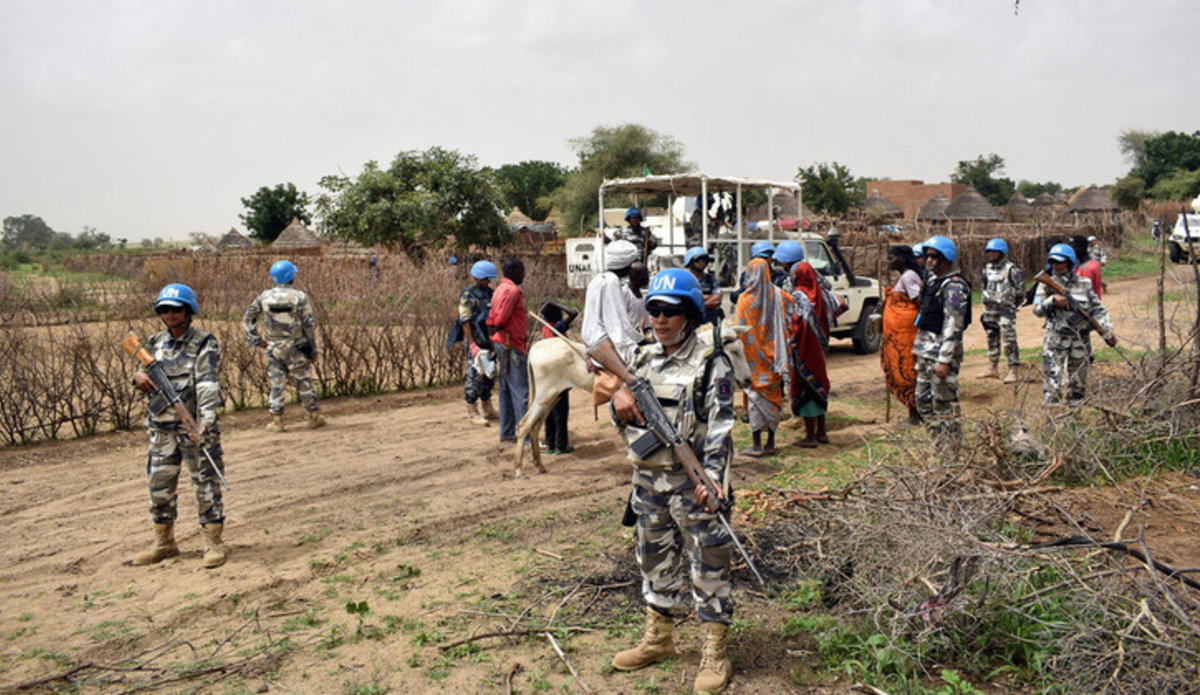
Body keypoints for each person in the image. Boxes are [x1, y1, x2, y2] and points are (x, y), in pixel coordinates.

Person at [610, 268, 737, 695]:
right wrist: (618, 397)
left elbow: (720, 430)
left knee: (709, 563)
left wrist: (712, 482)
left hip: (692, 485)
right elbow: (622, 413)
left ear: (691, 314)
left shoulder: (710, 362)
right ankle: (659, 639)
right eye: (654, 310)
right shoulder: (643, 359)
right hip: (648, 482)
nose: (660, 319)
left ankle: (714, 649)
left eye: (671, 311)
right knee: (652, 559)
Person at [131, 283, 228, 569]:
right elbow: (140, 370)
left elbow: (208, 383)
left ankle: (213, 542)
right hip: (161, 428)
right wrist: (137, 376)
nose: (170, 315)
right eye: (164, 310)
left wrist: (205, 422)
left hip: (194, 427)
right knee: (159, 485)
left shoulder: (203, 342)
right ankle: (165, 543)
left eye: (175, 309)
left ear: (188, 311)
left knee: (206, 485)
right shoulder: (153, 342)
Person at [242, 260, 325, 432]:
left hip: (273, 347)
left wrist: (257, 340)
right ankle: (313, 416)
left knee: (277, 383)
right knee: (304, 381)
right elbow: (308, 325)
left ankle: (277, 420)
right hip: (296, 347)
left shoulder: (264, 296)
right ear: (291, 277)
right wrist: (312, 350)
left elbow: (247, 318)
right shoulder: (300, 297)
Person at [1032, 243, 1115, 405]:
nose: (1056, 266)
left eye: (1060, 262)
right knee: (1052, 386)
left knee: (1077, 386)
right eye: (1053, 262)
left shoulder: (1084, 284)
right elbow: (1037, 310)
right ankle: (1051, 420)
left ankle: (1074, 419)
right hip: (1056, 340)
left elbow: (1098, 309)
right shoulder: (1045, 284)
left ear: (1069, 262)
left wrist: (1107, 329)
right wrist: (1052, 300)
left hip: (1080, 341)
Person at [913, 236, 971, 451]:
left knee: (945, 405)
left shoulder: (954, 287)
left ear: (946, 258)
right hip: (926, 352)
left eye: (933, 256)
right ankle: (939, 443)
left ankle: (953, 450)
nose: (928, 260)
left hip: (941, 355)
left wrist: (944, 360)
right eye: (926, 255)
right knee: (923, 401)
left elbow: (953, 324)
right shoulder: (932, 282)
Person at [736, 256, 793, 457]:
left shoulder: (744, 300)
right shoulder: (779, 296)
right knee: (773, 399)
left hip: (752, 360)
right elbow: (793, 313)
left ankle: (756, 444)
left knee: (754, 400)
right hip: (774, 358)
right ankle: (771, 442)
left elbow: (739, 331)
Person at [583, 240, 645, 409]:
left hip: (593, 337)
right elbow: (617, 324)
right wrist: (639, 341)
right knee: (639, 378)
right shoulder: (611, 282)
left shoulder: (599, 279)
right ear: (628, 265)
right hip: (601, 341)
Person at [786, 258, 832, 447]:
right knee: (819, 384)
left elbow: (799, 325)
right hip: (819, 349)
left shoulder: (799, 296)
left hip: (805, 349)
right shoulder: (821, 295)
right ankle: (822, 432)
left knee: (805, 387)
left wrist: (790, 338)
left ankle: (810, 436)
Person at [880, 245, 924, 426]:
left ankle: (915, 415)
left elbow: (918, 301)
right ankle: (914, 413)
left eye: (892, 257)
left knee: (906, 370)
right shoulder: (904, 277)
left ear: (903, 259)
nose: (888, 261)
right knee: (903, 368)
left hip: (904, 335)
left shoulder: (909, 276)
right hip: (897, 335)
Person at [450, 260, 498, 426]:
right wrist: (471, 343)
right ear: (478, 277)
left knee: (489, 373)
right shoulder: (468, 295)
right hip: (475, 340)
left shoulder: (490, 293)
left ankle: (487, 405)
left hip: (488, 339)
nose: (488, 282)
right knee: (475, 374)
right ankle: (472, 409)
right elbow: (465, 321)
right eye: (485, 279)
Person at [486, 259, 529, 443]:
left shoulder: (499, 289)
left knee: (506, 389)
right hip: (511, 344)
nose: (524, 275)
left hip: (502, 343)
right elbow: (501, 318)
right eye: (522, 272)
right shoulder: (512, 291)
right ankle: (526, 436)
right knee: (521, 391)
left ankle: (507, 431)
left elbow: (492, 317)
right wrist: (498, 328)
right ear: (514, 272)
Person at [978, 238, 1024, 384]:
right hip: (990, 309)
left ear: (1001, 252)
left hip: (1006, 310)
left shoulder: (1012, 269)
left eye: (994, 251)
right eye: (989, 251)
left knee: (1009, 340)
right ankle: (993, 367)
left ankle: (1013, 369)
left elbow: (1021, 291)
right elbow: (984, 286)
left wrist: (1011, 305)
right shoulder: (987, 268)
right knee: (991, 337)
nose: (991, 254)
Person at [539, 300, 579, 454]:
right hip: (560, 374)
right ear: (556, 314)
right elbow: (574, 313)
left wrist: (550, 305)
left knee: (549, 410)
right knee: (560, 411)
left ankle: (550, 444)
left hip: (548, 374)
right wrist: (557, 303)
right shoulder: (556, 328)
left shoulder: (545, 327)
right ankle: (561, 446)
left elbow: (545, 310)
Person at [684, 246, 724, 325]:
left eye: (704, 260)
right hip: (690, 324)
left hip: (709, 324)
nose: (701, 262)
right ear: (690, 262)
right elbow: (684, 302)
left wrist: (697, 303)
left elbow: (717, 300)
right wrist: (706, 297)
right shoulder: (685, 280)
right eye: (697, 260)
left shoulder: (711, 279)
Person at [1072, 234, 1103, 298]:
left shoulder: (1087, 268)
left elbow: (1085, 292)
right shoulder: (1077, 264)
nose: (1071, 249)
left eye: (1073, 246)